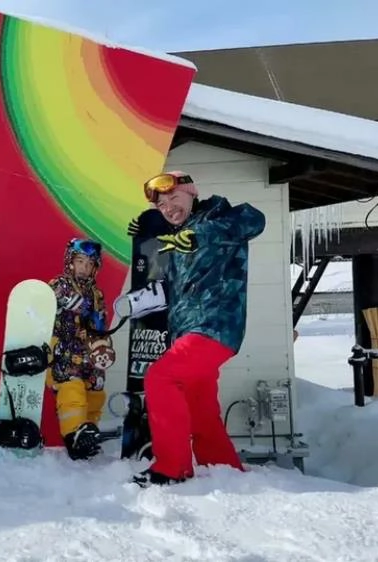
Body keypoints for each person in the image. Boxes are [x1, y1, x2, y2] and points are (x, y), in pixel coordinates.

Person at [121, 171, 265, 487]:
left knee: (161, 377)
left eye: (174, 198)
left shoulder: (222, 216)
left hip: (215, 326)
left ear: (192, 192)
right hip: (187, 330)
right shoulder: (178, 240)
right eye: (162, 206)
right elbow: (172, 292)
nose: (170, 208)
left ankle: (171, 468)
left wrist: (201, 235)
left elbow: (255, 220)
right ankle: (223, 470)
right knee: (200, 411)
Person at [48, 238, 114, 461]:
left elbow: (100, 325)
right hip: (65, 352)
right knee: (72, 388)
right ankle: (74, 434)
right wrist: (64, 299)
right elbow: (46, 297)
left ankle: (88, 433)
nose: (84, 268)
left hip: (89, 354)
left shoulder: (97, 294)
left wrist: (102, 346)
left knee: (96, 390)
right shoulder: (60, 284)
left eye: (89, 264)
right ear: (70, 263)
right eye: (80, 262)